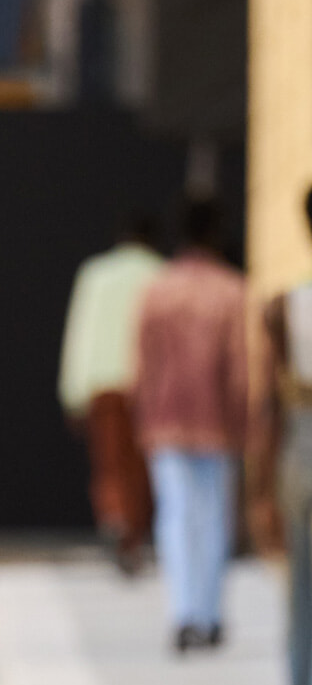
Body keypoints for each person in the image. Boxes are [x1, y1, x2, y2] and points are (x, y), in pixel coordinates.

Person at [133, 197, 248, 652]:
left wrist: (142, 412)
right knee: (215, 515)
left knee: (176, 515)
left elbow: (142, 361)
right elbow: (241, 369)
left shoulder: (158, 288)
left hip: (166, 417)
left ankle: (183, 613)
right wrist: (245, 422)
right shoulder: (232, 290)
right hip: (217, 419)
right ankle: (210, 612)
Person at [58, 210, 164, 570]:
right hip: (149, 385)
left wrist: (72, 391)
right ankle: (133, 533)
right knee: (141, 466)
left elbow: (81, 333)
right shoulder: (160, 274)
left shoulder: (96, 274)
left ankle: (116, 519)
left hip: (104, 383)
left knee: (109, 463)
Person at [255, 183, 312, 685]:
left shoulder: (286, 305)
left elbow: (267, 406)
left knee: (302, 605)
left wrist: (259, 489)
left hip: (301, 456)